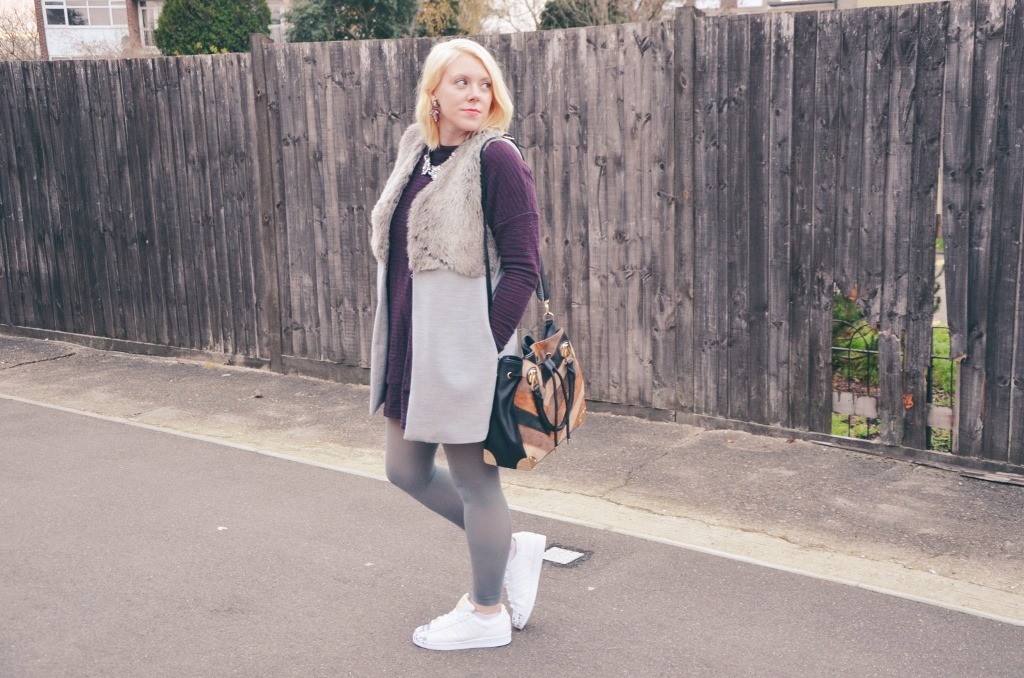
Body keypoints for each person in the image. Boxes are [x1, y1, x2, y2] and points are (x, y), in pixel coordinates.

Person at [368, 38, 547, 651]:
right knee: (404, 470)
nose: (476, 94)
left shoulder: (495, 158)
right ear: (434, 94)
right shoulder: (415, 150)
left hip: (464, 352)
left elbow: (523, 269)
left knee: (477, 485)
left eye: (485, 84)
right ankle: (508, 549)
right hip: (413, 346)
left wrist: (480, 351)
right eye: (462, 82)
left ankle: (486, 611)